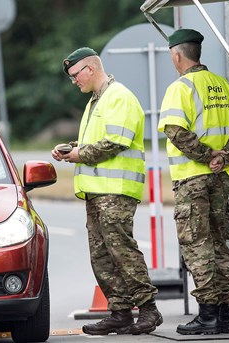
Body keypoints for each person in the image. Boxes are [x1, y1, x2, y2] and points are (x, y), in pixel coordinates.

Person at [51, 47, 162, 335]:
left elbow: (115, 141)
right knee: (101, 255)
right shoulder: (95, 102)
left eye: (76, 75)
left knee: (121, 250)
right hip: (96, 190)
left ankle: (148, 308)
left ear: (90, 68)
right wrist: (71, 148)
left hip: (116, 190)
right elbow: (96, 139)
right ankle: (120, 311)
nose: (74, 80)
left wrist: (79, 154)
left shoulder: (119, 96)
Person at [157, 28, 229, 335]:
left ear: (177, 55)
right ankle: (228, 315)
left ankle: (208, 315)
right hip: (221, 178)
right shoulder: (226, 87)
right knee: (219, 245)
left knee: (197, 246)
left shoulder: (180, 88)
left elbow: (175, 130)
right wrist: (222, 158)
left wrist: (204, 156)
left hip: (192, 178)